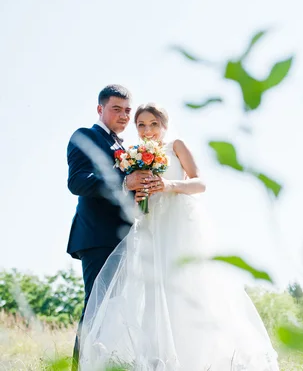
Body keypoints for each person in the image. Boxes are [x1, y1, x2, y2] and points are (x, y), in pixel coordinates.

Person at [78, 103, 280, 371]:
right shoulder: (134, 155)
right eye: (141, 125)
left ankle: (199, 359)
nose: (148, 130)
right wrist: (138, 197)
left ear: (164, 125)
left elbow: (200, 183)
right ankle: (160, 360)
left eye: (153, 124)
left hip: (180, 225)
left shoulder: (176, 146)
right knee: (153, 293)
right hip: (152, 228)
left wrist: (169, 185)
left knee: (189, 286)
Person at [67, 85, 158, 370]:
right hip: (97, 235)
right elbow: (78, 181)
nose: (123, 115)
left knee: (113, 308)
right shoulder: (85, 136)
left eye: (127, 110)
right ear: (100, 109)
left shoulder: (126, 148)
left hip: (124, 238)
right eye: (116, 109)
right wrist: (123, 181)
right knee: (96, 305)